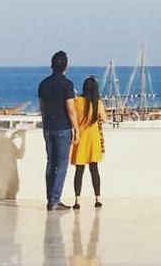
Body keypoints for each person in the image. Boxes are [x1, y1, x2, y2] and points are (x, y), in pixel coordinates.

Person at [38, 50, 79, 211]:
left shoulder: (43, 84)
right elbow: (70, 109)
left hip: (49, 127)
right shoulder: (67, 85)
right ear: (66, 66)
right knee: (61, 165)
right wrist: (76, 129)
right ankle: (55, 199)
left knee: (51, 163)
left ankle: (51, 198)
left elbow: (42, 108)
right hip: (63, 128)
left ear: (52, 65)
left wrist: (46, 124)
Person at [70, 75, 107, 209]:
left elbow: (71, 115)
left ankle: (77, 201)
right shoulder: (97, 103)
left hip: (80, 137)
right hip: (93, 138)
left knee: (79, 170)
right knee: (94, 169)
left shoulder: (77, 101)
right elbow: (104, 118)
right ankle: (97, 198)